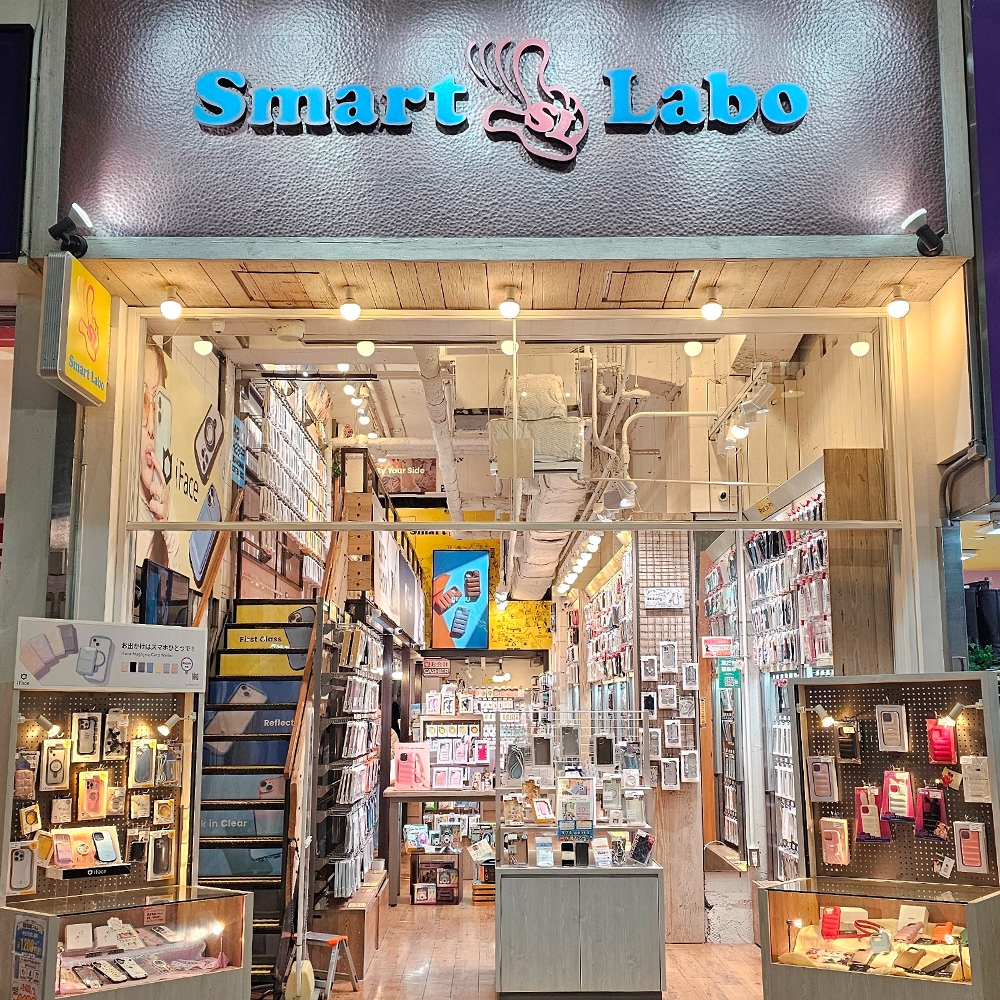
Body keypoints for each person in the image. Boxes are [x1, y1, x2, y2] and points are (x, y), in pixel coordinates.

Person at [135, 343, 179, 568]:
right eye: (144, 403)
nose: (152, 427)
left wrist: (167, 528)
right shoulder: (111, 502)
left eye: (157, 403)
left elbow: (177, 582)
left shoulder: (168, 509)